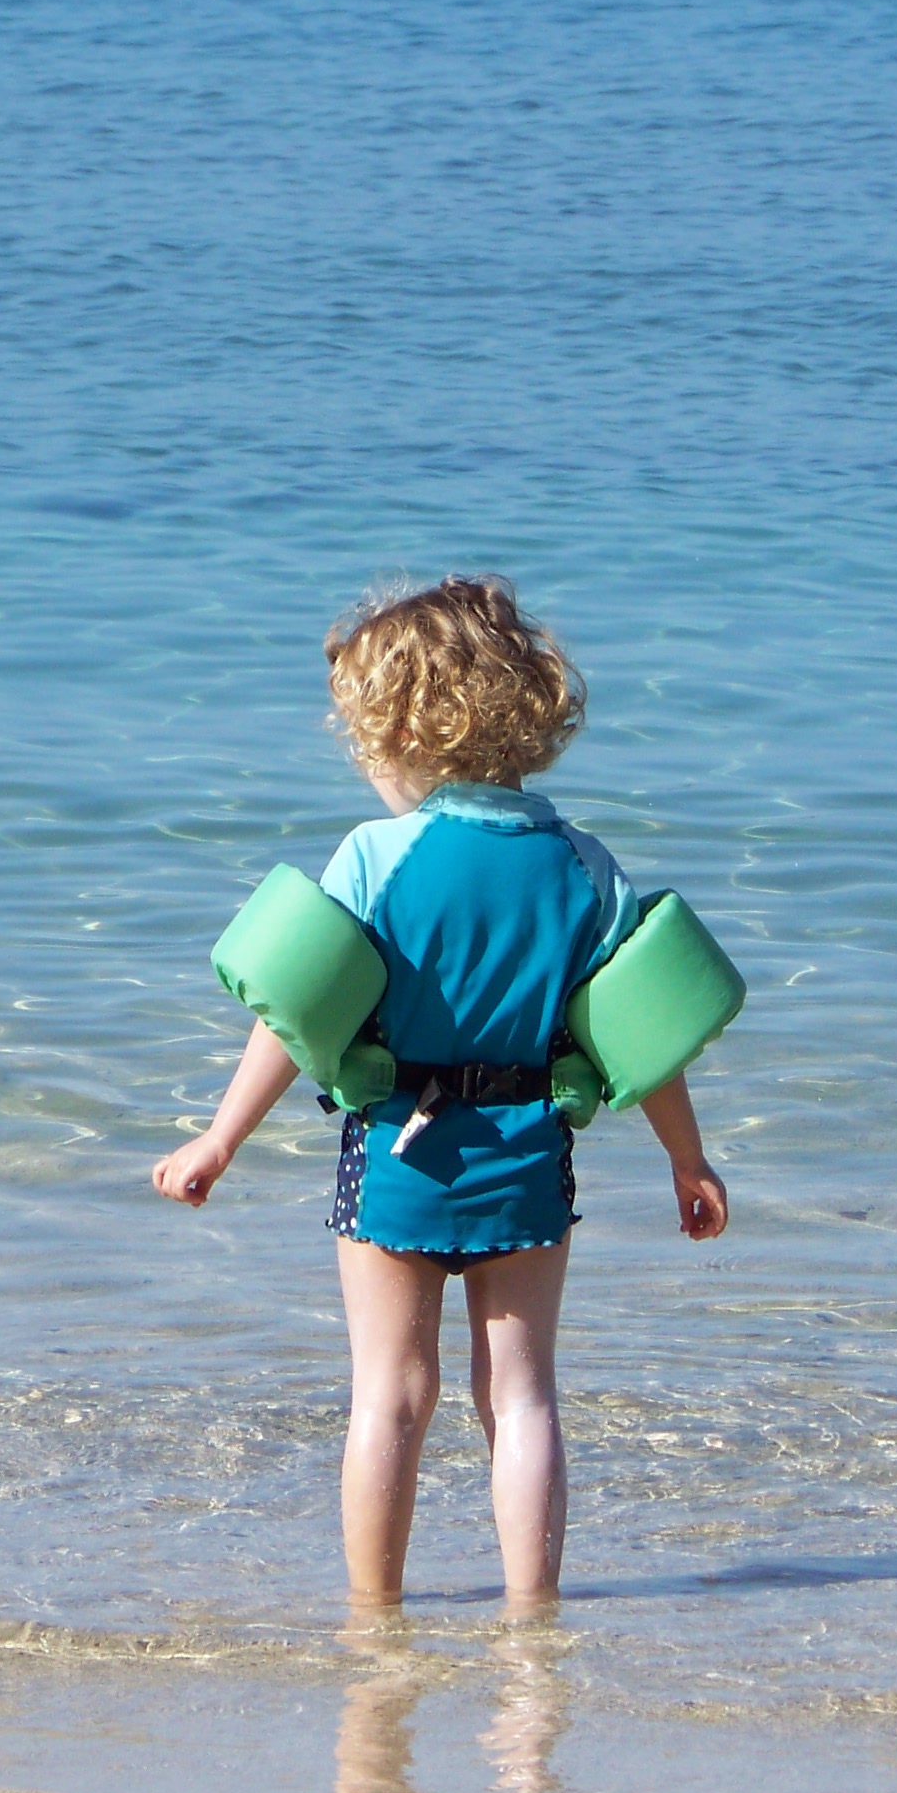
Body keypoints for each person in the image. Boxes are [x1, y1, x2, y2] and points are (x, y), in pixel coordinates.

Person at [152, 576, 730, 1608]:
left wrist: (219, 1139)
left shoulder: (377, 857)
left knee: (390, 1397)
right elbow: (647, 1037)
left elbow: (292, 1012)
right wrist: (688, 1161)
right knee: (523, 1398)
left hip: (396, 1155)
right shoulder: (584, 867)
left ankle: (375, 1619)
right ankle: (533, 1620)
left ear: (410, 730)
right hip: (527, 1154)